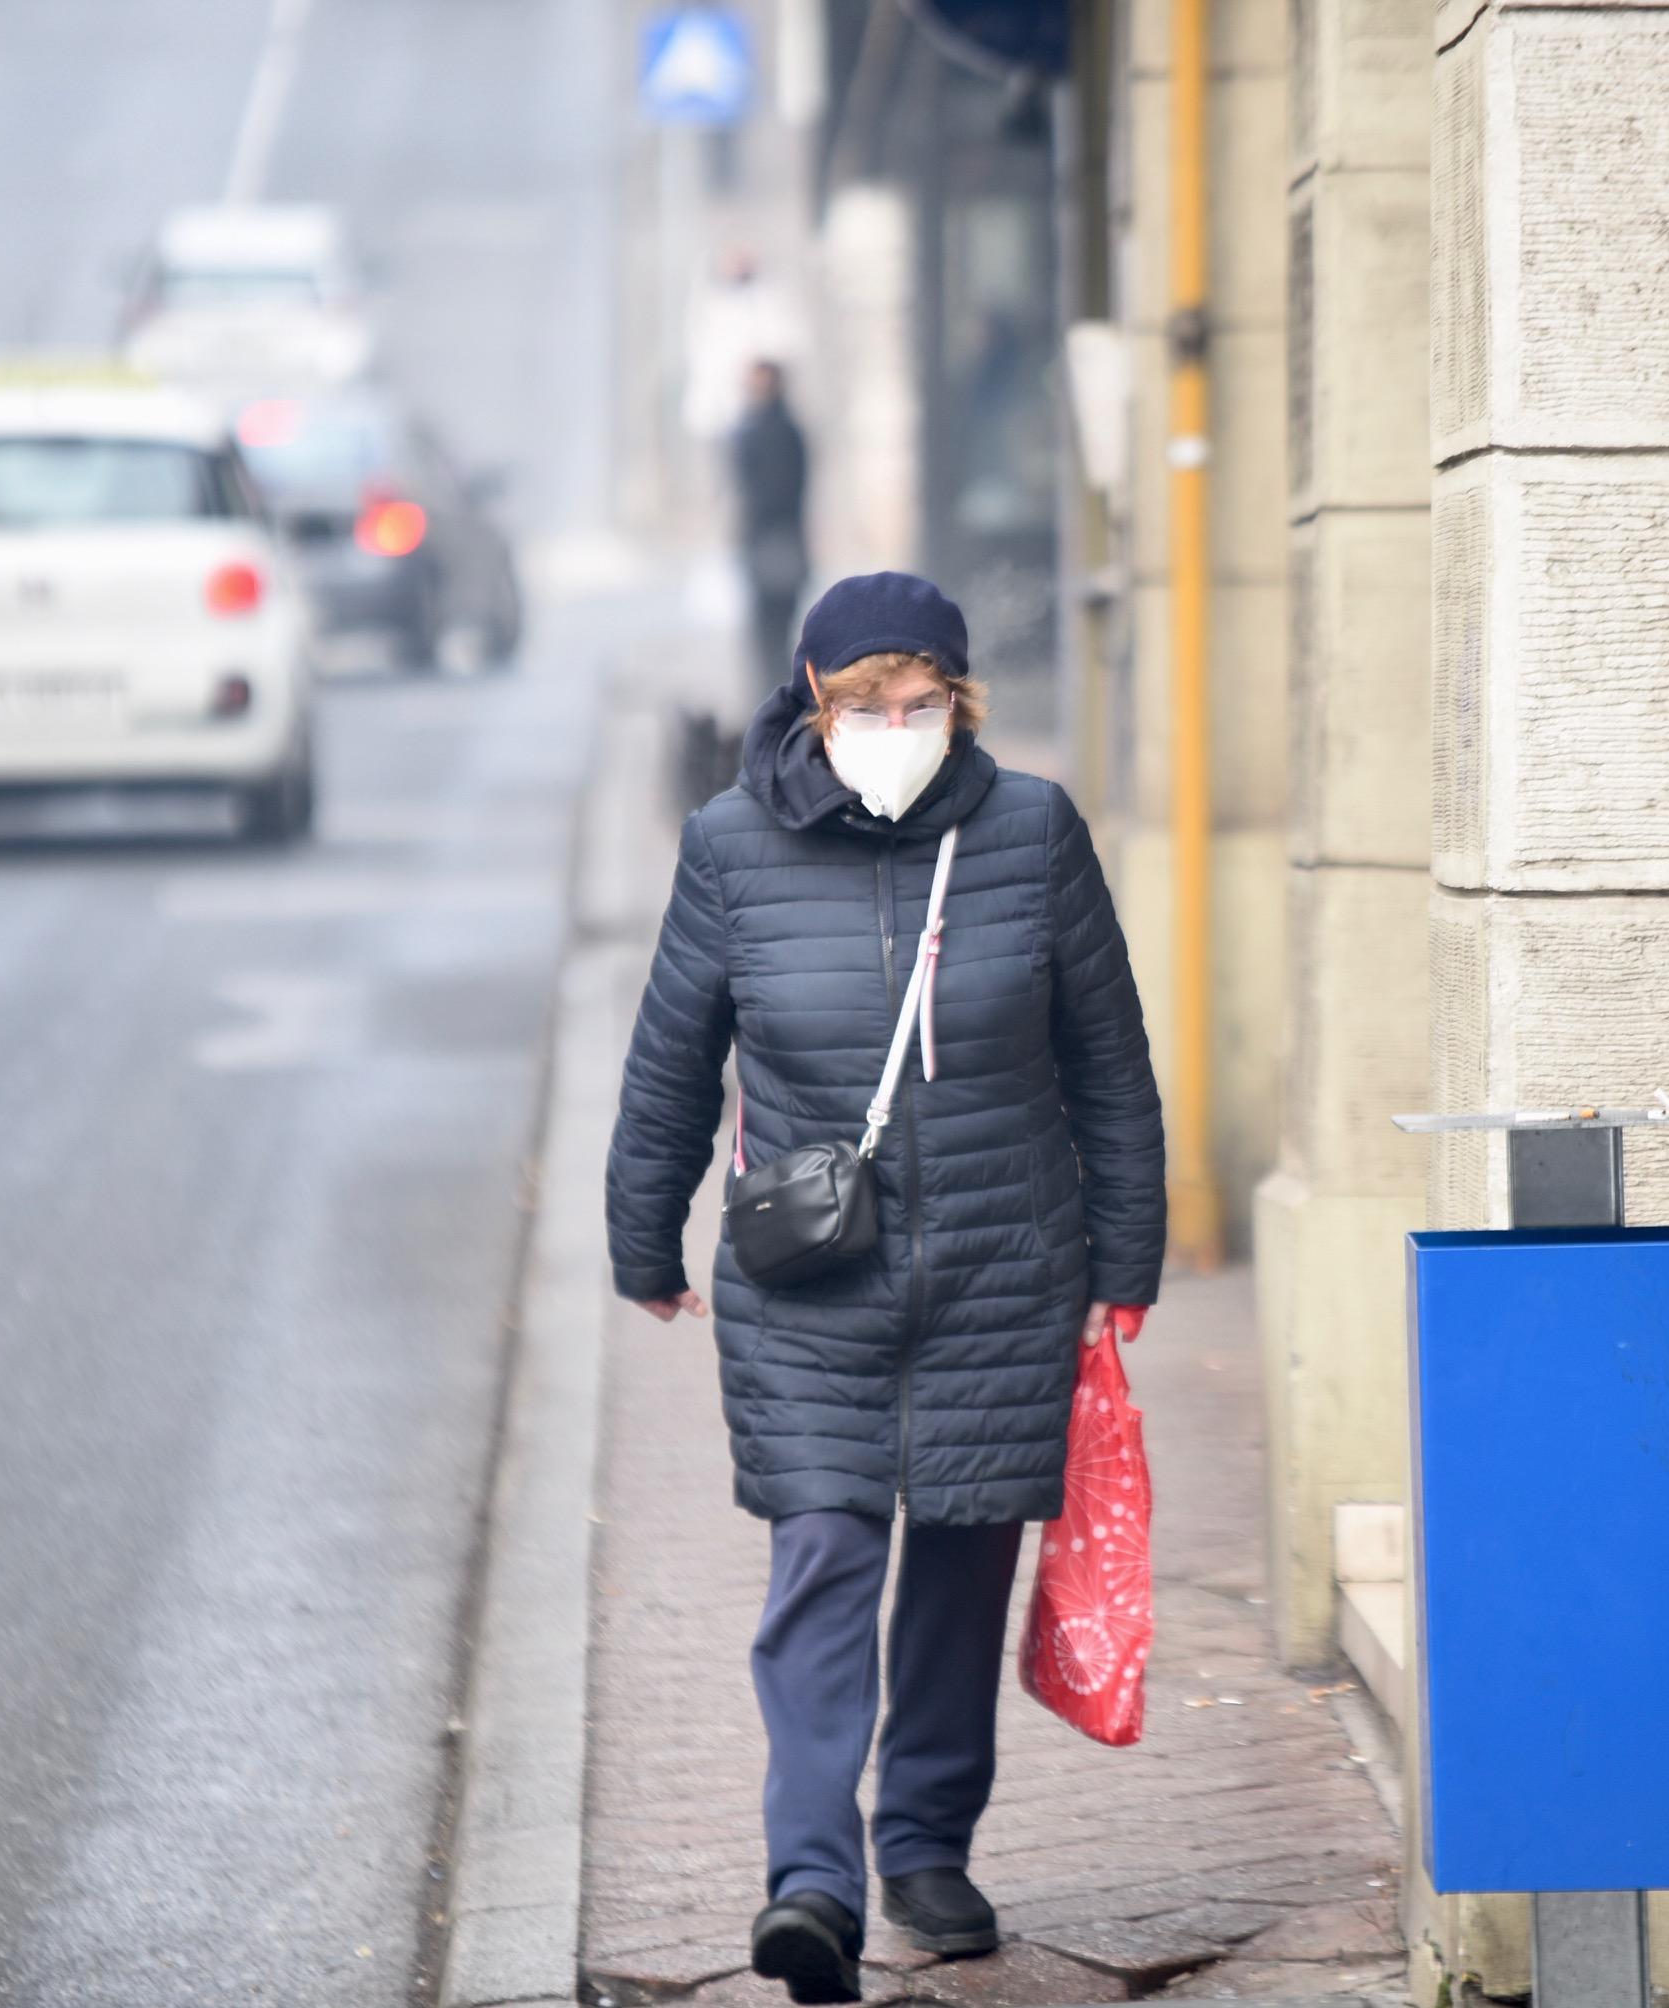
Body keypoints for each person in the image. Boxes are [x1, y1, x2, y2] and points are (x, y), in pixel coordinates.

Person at [606, 573, 1166, 2005]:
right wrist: (643, 1242)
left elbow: (1107, 1060)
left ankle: (924, 1845)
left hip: (1002, 1267)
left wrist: (1127, 1263)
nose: (895, 726)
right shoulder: (729, 848)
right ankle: (812, 1880)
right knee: (826, 1561)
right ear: (816, 700)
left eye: (923, 704)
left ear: (962, 705)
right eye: (867, 704)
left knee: (962, 1566)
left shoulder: (1030, 833)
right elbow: (673, 1054)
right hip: (813, 1281)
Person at [731, 360, 811, 698]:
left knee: (771, 630)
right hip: (773, 542)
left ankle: (771, 697)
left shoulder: (773, 432)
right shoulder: (777, 430)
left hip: (774, 541)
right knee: (771, 629)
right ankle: (771, 696)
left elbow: (773, 493)